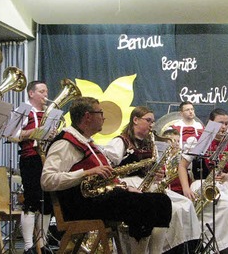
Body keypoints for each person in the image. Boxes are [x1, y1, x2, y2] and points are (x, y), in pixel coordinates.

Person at [41, 97, 172, 254]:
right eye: (100, 113)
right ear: (88, 116)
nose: (104, 117)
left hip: (100, 199)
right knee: (143, 206)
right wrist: (85, 173)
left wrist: (126, 188)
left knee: (162, 201)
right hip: (81, 206)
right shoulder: (65, 143)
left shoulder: (87, 141)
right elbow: (46, 180)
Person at [103, 106, 201, 253]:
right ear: (135, 120)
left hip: (147, 185)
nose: (152, 125)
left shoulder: (149, 143)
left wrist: (158, 174)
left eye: (153, 121)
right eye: (148, 120)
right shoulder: (121, 142)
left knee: (184, 205)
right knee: (167, 210)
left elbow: (151, 169)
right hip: (128, 185)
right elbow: (108, 168)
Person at [178, 108, 228, 253]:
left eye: (227, 124)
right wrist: (186, 189)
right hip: (201, 183)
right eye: (220, 123)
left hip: (226, 185)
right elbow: (182, 166)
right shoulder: (200, 140)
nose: (224, 127)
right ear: (210, 124)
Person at [15, 80, 52, 253]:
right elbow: (14, 134)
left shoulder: (49, 113)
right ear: (31, 93)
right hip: (30, 157)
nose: (46, 95)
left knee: (48, 201)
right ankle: (29, 245)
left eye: (46, 92)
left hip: (47, 159)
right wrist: (36, 132)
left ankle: (42, 243)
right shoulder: (22, 110)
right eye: (42, 91)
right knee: (32, 200)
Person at [169, 101, 204, 194]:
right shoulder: (174, 128)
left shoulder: (200, 127)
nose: (191, 111)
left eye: (192, 109)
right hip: (180, 163)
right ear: (181, 113)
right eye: (187, 110)